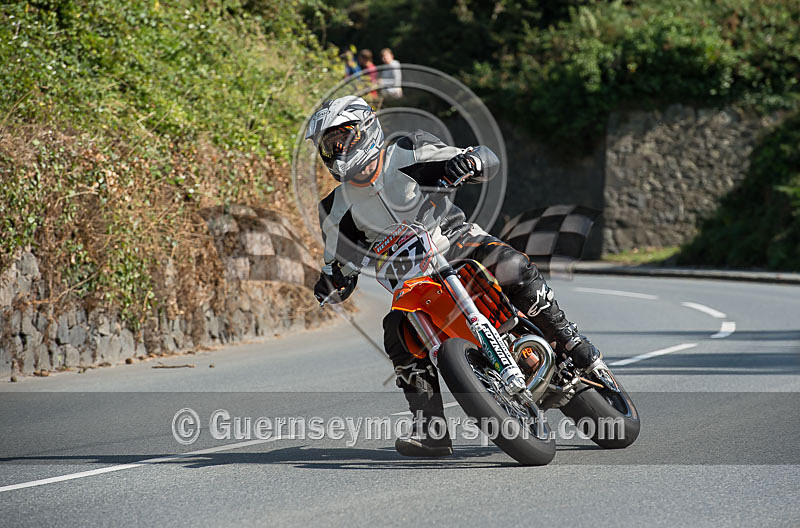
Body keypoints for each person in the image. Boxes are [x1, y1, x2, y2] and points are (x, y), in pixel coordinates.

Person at [306, 96, 601, 457]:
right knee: (396, 333)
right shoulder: (334, 208)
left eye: (341, 138)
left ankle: (571, 342)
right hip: (412, 281)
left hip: (456, 243)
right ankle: (430, 429)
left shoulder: (407, 150)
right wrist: (332, 282)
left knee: (511, 266)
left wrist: (471, 161)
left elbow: (482, 158)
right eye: (328, 144)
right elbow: (340, 263)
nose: (336, 150)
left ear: (365, 129)